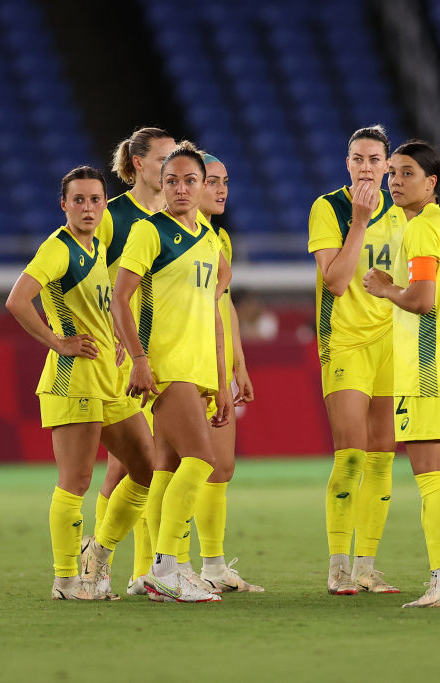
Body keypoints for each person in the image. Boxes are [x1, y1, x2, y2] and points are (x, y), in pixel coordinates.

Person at [5, 166, 154, 600]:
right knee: (77, 480)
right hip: (73, 381)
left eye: (95, 199)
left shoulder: (98, 245)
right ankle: (67, 578)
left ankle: (97, 553)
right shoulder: (58, 248)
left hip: (111, 378)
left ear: (104, 205)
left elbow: (102, 303)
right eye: (79, 200)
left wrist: (119, 338)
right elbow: (17, 299)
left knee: (146, 468)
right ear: (64, 205)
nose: (88, 207)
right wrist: (57, 341)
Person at [364, 139, 440, 608]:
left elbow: (423, 300)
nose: (395, 180)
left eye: (406, 172)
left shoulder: (420, 230)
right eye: (392, 172)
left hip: (428, 370)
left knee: (430, 479)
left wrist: (386, 288)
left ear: (431, 183)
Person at [111, 146, 231, 603]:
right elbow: (120, 299)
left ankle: (159, 571)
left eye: (190, 180)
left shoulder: (209, 239)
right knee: (202, 460)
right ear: (161, 184)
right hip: (168, 363)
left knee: (168, 466)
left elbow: (213, 312)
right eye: (172, 180)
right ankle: (167, 566)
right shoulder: (148, 231)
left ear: (204, 185)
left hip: (198, 366)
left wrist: (221, 381)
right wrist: (140, 360)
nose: (181, 188)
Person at [308, 126, 407, 595]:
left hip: (391, 342)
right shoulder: (328, 208)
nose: (365, 167)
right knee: (350, 455)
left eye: (374, 159)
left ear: (387, 165)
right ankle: (338, 565)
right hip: (345, 341)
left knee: (383, 456)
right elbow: (336, 282)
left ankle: (367, 566)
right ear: (346, 163)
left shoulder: (407, 213)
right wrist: (360, 221)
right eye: (357, 159)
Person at [94, 126, 177, 594]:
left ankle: (141, 570)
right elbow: (77, 269)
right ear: (139, 164)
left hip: (165, 353)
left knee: (151, 463)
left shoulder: (176, 220)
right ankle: (110, 564)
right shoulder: (111, 217)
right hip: (122, 356)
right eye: (163, 159)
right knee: (128, 465)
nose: (170, 169)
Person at [182, 150, 262, 592]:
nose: (221, 190)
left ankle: (211, 568)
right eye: (212, 181)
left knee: (221, 466)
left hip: (218, 364)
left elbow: (223, 304)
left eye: (225, 181)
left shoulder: (219, 240)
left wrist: (238, 363)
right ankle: (158, 567)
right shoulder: (167, 236)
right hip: (184, 364)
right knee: (174, 468)